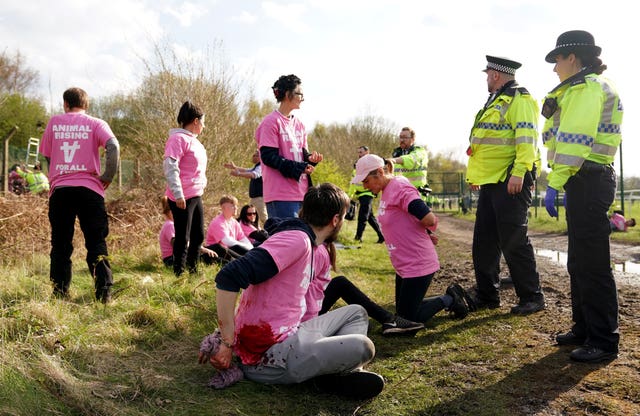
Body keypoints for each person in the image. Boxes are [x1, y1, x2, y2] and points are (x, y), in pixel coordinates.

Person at [203, 183, 384, 399]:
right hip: (266, 357)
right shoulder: (297, 240)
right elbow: (228, 276)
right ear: (335, 220)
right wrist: (226, 341)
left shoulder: (311, 245)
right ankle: (333, 376)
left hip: (291, 333)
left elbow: (307, 303)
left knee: (356, 313)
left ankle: (340, 374)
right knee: (363, 347)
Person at [542, 30, 623, 362]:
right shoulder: (580, 88)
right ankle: (584, 328)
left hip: (587, 178)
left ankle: (603, 340)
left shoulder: (586, 89)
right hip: (584, 179)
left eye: (557, 60)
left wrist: (555, 181)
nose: (554, 68)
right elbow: (557, 136)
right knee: (579, 261)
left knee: (592, 264)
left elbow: (575, 141)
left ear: (572, 58)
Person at [465, 55, 545, 315]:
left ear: (496, 75)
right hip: (493, 179)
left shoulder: (519, 99)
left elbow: (527, 139)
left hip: (510, 178)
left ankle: (532, 297)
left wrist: (519, 172)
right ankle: (488, 295)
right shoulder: (497, 100)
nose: (486, 78)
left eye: (487, 74)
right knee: (484, 241)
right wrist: (478, 175)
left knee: (514, 240)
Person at [353, 154, 474, 324]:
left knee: (408, 319)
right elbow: (406, 218)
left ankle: (450, 299)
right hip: (404, 264)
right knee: (402, 311)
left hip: (417, 263)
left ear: (379, 172)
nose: (364, 186)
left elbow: (429, 218)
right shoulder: (387, 190)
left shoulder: (399, 188)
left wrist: (426, 230)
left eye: (366, 181)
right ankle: (446, 297)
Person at [39, 87, 120, 302]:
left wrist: (55, 177)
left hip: (61, 191)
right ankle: (104, 293)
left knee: (60, 244)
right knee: (96, 242)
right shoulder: (96, 124)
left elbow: (47, 156)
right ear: (86, 105)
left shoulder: (54, 122)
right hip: (90, 190)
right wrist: (108, 175)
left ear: (66, 104)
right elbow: (113, 146)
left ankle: (59, 293)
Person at [255, 74, 323, 219]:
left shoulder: (300, 124)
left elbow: (301, 154)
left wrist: (310, 160)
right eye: (300, 94)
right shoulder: (270, 122)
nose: (302, 99)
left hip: (303, 193)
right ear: (287, 94)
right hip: (280, 195)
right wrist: (299, 167)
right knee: (286, 239)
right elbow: (268, 157)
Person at [163, 101, 208, 276]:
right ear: (195, 121)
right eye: (203, 122)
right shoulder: (177, 139)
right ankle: (179, 273)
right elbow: (170, 166)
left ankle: (193, 269)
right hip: (182, 197)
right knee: (183, 236)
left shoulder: (195, 142)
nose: (204, 126)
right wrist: (178, 193)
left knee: (198, 236)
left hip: (196, 195)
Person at [159, 196, 218, 267]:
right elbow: (179, 244)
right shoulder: (170, 225)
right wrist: (203, 249)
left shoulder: (176, 224)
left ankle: (232, 261)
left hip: (181, 255)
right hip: (172, 259)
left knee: (217, 247)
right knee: (209, 256)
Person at [348, 146, 384, 243]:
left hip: (368, 194)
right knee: (370, 217)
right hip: (360, 194)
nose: (359, 154)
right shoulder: (357, 165)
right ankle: (381, 236)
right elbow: (353, 182)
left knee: (362, 216)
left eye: (361, 152)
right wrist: (350, 195)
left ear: (367, 152)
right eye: (358, 152)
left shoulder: (371, 165)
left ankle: (358, 237)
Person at [224, 150, 268, 226]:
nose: (253, 156)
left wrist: (238, 174)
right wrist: (235, 168)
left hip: (259, 198)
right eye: (254, 154)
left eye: (256, 155)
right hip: (255, 198)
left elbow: (253, 175)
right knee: (250, 216)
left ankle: (272, 233)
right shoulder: (257, 167)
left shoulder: (261, 167)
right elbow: (247, 170)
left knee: (263, 218)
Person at [205, 195, 253, 261]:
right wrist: (245, 247)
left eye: (236, 205)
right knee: (235, 248)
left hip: (229, 249)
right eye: (232, 206)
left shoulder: (234, 222)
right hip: (216, 252)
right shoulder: (218, 222)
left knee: (242, 249)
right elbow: (227, 241)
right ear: (223, 208)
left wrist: (250, 248)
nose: (236, 208)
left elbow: (243, 238)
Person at [389, 127, 430, 199]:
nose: (402, 140)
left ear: (412, 139)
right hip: (400, 196)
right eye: (400, 137)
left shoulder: (420, 152)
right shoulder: (397, 154)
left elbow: (412, 160)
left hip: (416, 196)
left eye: (405, 137)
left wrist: (393, 160)